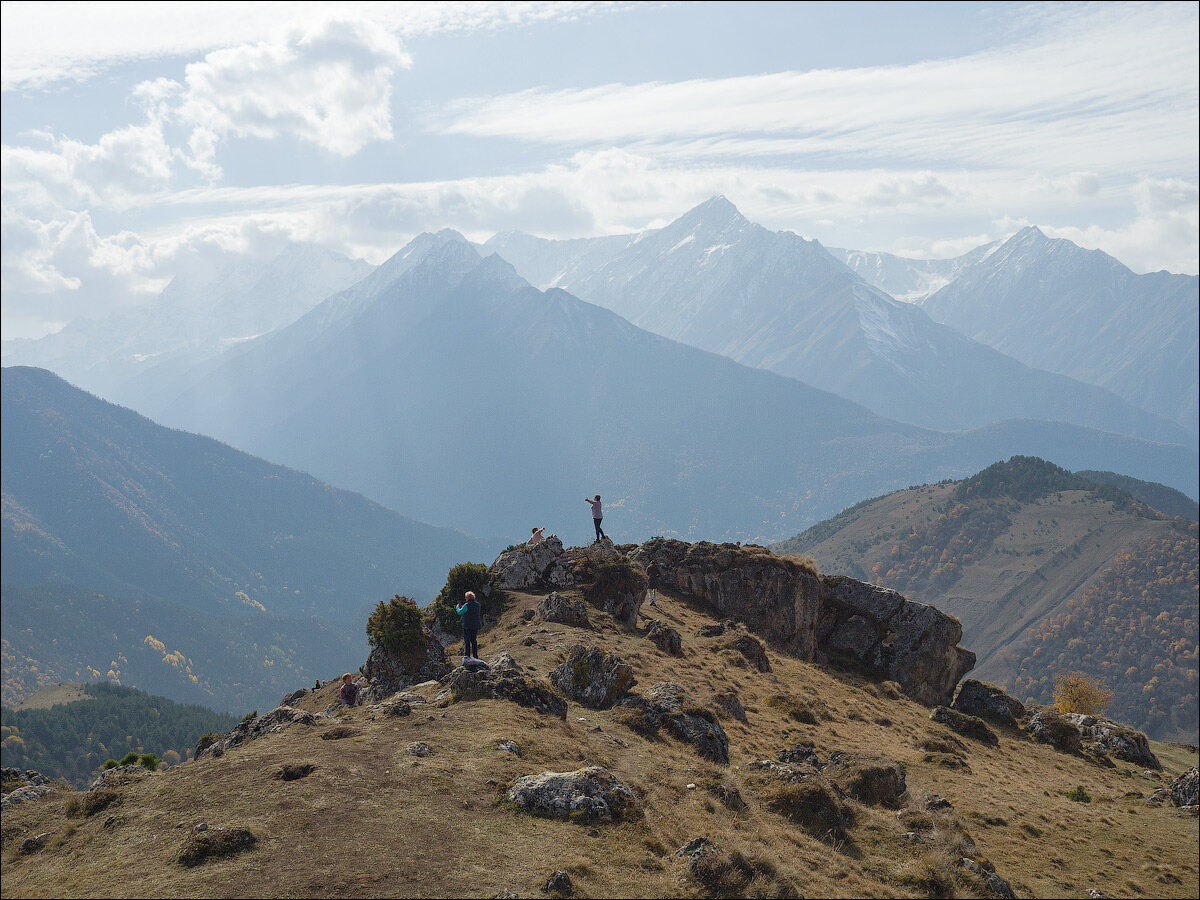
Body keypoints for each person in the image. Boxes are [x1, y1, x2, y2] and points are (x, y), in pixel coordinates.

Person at [456, 590, 482, 660]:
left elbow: (460, 612)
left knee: (467, 641)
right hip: (475, 625)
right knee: (474, 640)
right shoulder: (478, 605)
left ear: (467, 598)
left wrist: (457, 607)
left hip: (467, 625)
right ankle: (475, 656)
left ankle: (467, 656)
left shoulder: (466, 605)